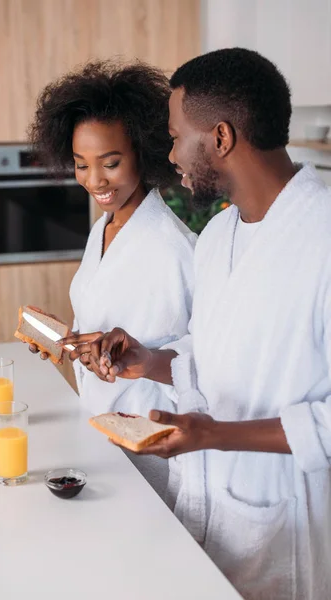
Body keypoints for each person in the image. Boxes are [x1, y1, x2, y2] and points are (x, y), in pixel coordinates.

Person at [62, 49, 331, 600]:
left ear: (221, 138)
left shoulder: (323, 238)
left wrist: (214, 434)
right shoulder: (218, 237)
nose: (169, 152)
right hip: (211, 514)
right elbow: (213, 353)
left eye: (175, 135)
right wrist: (149, 360)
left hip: (289, 528)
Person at [28, 60, 197, 498]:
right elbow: (104, 328)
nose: (95, 180)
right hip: (102, 428)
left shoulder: (170, 248)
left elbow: (197, 358)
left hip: (146, 441)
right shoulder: (105, 227)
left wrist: (125, 358)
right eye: (82, 165)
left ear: (142, 150)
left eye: (111, 162)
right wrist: (62, 340)